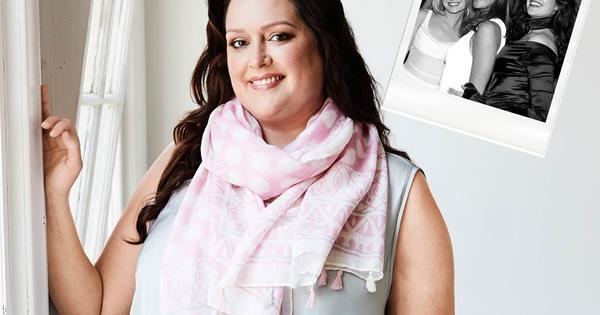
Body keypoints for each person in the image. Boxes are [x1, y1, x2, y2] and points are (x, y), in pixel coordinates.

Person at [42, 0, 454, 314]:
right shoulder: (187, 159)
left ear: (323, 43)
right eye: (239, 42)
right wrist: (54, 194)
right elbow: (96, 308)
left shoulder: (398, 190)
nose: (257, 60)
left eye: (279, 36)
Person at [482, 0, 578, 122]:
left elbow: (542, 111)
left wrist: (506, 121)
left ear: (558, 5)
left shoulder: (540, 40)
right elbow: (501, 88)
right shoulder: (528, 35)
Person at [440, 0, 509, 99]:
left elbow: (475, 93)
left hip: (453, 106)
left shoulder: (488, 29)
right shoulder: (485, 26)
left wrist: (466, 99)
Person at [397, 0, 470, 89]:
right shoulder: (422, 16)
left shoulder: (469, 36)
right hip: (402, 86)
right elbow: (395, 58)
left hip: (435, 97)